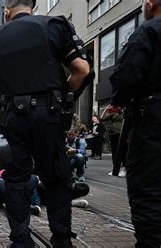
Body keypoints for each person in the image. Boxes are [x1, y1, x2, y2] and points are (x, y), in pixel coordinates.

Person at [0, 0, 91, 246]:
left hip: (10, 119)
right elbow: (82, 69)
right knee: (57, 178)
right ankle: (61, 238)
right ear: (33, 7)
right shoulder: (54, 24)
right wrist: (62, 96)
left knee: (15, 181)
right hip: (48, 113)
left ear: (7, 12)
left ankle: (21, 240)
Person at [109, 1, 161, 246]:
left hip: (153, 120)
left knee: (148, 191)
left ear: (150, 4)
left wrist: (119, 100)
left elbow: (126, 77)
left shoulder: (149, 30)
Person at [101, 105, 126, 177]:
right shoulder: (112, 113)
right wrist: (106, 109)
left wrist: (121, 109)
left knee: (123, 151)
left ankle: (123, 168)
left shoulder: (124, 111)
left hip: (122, 133)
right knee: (115, 151)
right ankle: (116, 169)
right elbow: (102, 119)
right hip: (113, 133)